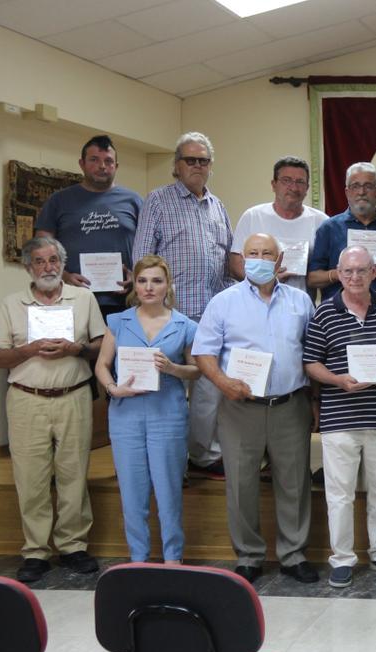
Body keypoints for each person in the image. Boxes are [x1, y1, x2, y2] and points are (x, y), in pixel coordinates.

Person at [192, 233, 317, 584]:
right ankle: (248, 555)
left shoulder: (300, 301)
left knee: (294, 483)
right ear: (243, 259)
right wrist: (223, 382)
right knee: (241, 484)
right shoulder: (223, 302)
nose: (259, 259)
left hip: (290, 405)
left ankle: (294, 555)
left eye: (267, 253)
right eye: (252, 253)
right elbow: (203, 352)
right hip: (239, 407)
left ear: (279, 261)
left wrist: (316, 401)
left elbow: (312, 352)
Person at [0, 237, 105, 583]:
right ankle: (35, 551)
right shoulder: (10, 304)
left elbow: (101, 345)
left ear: (63, 263)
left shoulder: (84, 299)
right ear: (29, 267)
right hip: (26, 398)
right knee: (31, 478)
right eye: (40, 262)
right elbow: (0, 356)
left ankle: (73, 546)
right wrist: (27, 349)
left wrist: (76, 348)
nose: (48, 267)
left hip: (73, 395)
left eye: (54, 260)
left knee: (74, 473)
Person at [303, 246, 376, 588]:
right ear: (339, 272)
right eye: (348, 271)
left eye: (362, 270)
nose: (355, 278)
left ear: (374, 271)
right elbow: (310, 362)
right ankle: (343, 558)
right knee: (340, 493)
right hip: (340, 419)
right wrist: (337, 380)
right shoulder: (324, 313)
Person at [133, 131, 233, 479]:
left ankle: (202, 457)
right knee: (165, 390)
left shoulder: (218, 207)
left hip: (210, 317)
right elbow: (143, 260)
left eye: (203, 160)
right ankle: (165, 461)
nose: (197, 166)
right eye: (190, 159)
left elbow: (226, 264)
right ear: (177, 165)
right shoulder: (158, 201)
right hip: (170, 316)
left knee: (208, 390)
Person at [93, 255, 199, 564]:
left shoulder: (185, 325)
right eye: (142, 281)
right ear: (134, 285)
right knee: (132, 492)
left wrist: (172, 368)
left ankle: (172, 558)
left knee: (168, 492)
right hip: (125, 414)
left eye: (156, 281)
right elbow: (102, 364)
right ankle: (138, 558)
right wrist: (112, 389)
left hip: (167, 414)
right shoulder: (118, 321)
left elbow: (196, 370)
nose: (149, 287)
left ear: (168, 286)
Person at [34, 134, 141, 315]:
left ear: (116, 166)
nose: (102, 166)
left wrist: (138, 275)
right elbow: (40, 249)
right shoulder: (59, 201)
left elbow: (152, 248)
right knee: (69, 345)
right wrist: (64, 276)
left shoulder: (134, 201)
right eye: (94, 160)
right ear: (81, 163)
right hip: (70, 299)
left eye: (108, 161)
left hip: (124, 302)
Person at [229, 156, 326, 295]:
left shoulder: (321, 222)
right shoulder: (253, 216)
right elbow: (235, 265)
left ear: (307, 188)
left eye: (300, 182)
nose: (293, 187)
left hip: (301, 307)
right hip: (256, 303)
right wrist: (265, 281)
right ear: (274, 185)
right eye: (286, 181)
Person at [308, 162, 376, 298]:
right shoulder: (329, 228)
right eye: (355, 186)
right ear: (347, 192)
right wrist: (340, 273)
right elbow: (312, 279)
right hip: (338, 314)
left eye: (368, 186)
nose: (361, 192)